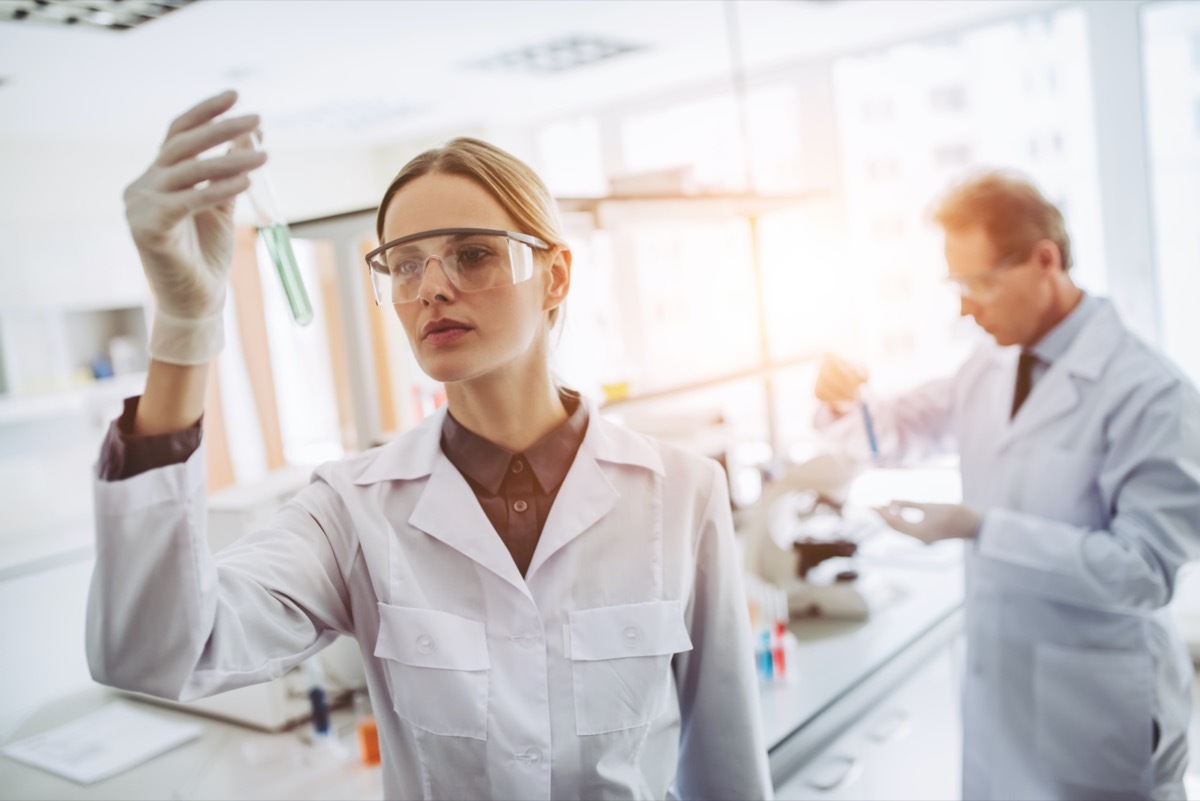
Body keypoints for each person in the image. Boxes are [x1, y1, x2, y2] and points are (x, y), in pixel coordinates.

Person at [86, 90, 773, 801]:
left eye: (471, 254)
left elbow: (727, 764)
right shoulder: (352, 509)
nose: (432, 288)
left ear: (556, 275)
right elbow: (156, 651)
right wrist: (184, 324)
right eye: (406, 264)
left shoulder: (682, 491)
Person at [814, 170, 1200, 801]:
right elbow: (895, 432)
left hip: (1097, 707)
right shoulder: (990, 363)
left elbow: (1145, 571)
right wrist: (845, 400)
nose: (966, 307)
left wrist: (983, 529)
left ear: (1044, 260)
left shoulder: (1151, 394)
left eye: (979, 283)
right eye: (956, 286)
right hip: (1004, 694)